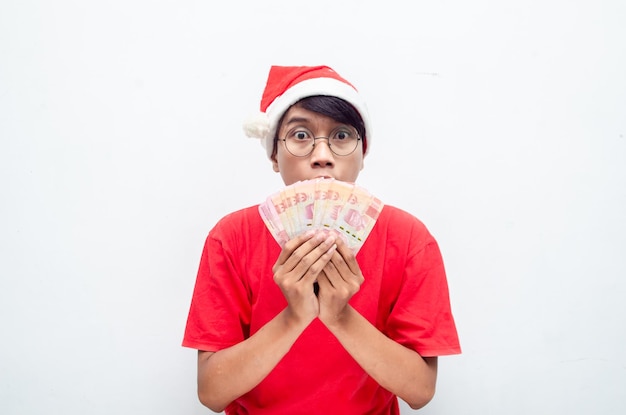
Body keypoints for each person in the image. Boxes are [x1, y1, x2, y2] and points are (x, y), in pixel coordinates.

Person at [182, 65, 461, 414]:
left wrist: (340, 317)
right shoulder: (231, 237)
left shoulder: (408, 239)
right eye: (300, 136)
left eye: (342, 136)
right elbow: (212, 392)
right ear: (273, 155)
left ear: (363, 152)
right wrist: (294, 317)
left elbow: (420, 391)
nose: (322, 156)